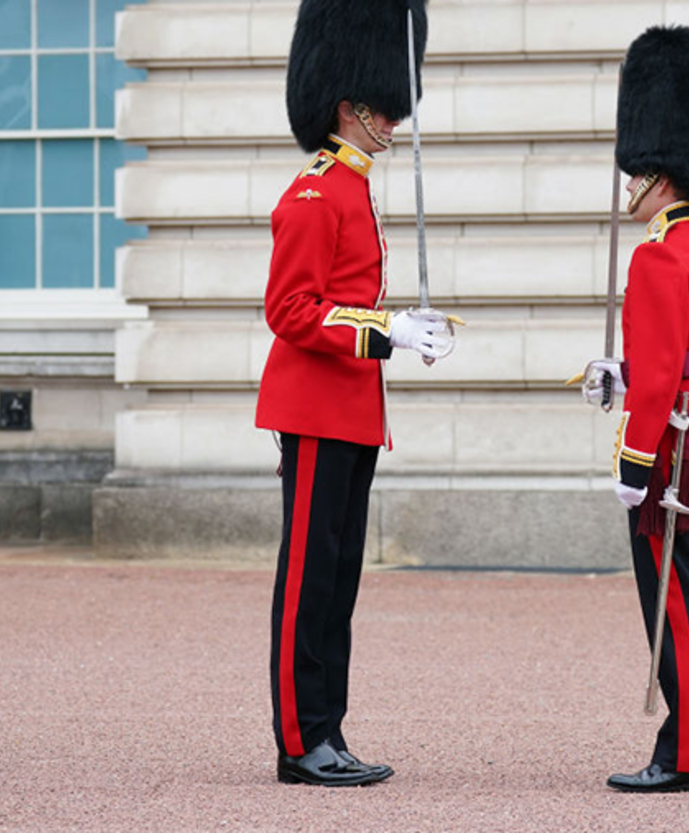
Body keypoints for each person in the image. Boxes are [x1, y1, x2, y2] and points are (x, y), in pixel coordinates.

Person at [257, 0, 452, 787]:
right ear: (348, 106)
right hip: (312, 408)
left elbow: (345, 301)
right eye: (380, 110)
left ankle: (328, 729)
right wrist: (387, 332)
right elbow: (290, 311)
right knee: (308, 578)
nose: (391, 123)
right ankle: (301, 740)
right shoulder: (315, 193)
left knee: (337, 582)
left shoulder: (353, 187)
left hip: (351, 411)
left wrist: (403, 325)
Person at [582, 25, 689, 794]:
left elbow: (656, 378)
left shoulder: (658, 254)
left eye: (637, 175)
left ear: (657, 174)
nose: (631, 188)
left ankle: (683, 755)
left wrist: (632, 459)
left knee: (676, 602)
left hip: (673, 452)